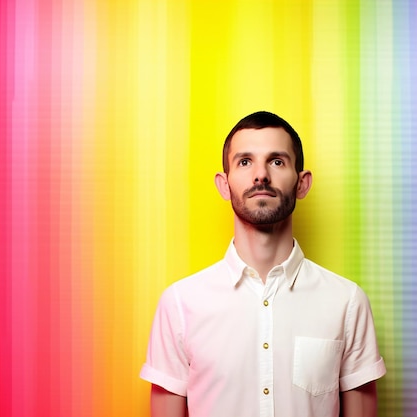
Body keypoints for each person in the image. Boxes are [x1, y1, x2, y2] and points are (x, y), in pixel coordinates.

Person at [140, 111, 386, 417]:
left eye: (277, 161)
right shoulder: (179, 304)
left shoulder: (347, 302)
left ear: (302, 183)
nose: (261, 175)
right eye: (245, 161)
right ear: (224, 184)